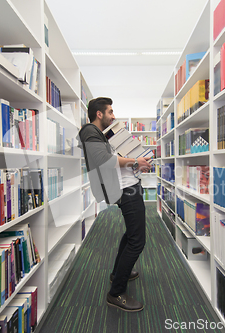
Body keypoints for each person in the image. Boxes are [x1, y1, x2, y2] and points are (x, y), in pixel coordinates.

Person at [77, 97, 152, 312]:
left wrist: (137, 164)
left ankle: (119, 273)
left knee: (131, 233)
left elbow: (112, 160)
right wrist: (135, 162)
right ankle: (116, 293)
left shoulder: (102, 134)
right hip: (126, 190)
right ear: (99, 114)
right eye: (110, 112)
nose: (113, 115)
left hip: (130, 185)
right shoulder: (90, 131)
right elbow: (103, 160)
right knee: (137, 241)